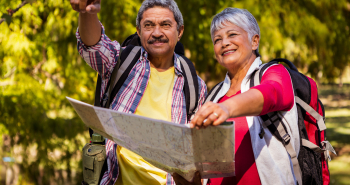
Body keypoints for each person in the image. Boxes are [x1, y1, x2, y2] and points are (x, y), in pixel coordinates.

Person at [69, 0, 207, 184]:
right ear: (139, 31)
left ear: (179, 31)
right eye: (149, 25)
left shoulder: (194, 85)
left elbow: (196, 151)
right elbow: (93, 47)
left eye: (165, 25)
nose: (157, 33)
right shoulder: (120, 62)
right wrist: (87, 12)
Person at [178, 8, 300, 185]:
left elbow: (271, 93)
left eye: (232, 34)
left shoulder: (274, 73)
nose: (224, 43)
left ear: (254, 41)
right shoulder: (214, 97)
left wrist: (227, 108)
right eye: (217, 39)